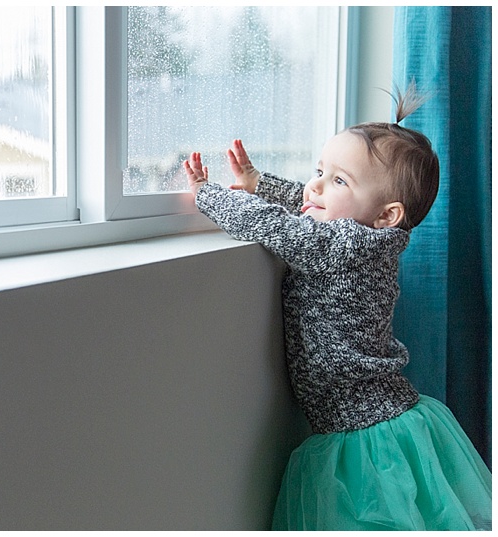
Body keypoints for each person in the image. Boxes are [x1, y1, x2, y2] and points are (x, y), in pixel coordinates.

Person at [183, 88, 492, 531]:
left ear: (387, 214)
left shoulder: (344, 245)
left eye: (339, 180)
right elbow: (312, 205)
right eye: (319, 171)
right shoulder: (367, 238)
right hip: (373, 419)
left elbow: (273, 225)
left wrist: (206, 194)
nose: (315, 185)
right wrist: (258, 182)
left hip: (364, 435)